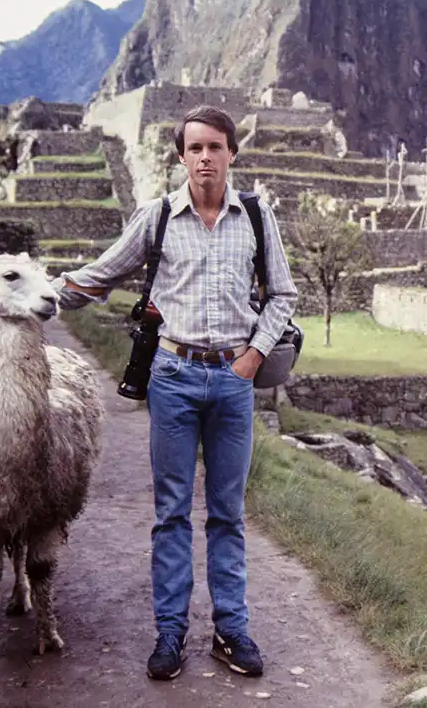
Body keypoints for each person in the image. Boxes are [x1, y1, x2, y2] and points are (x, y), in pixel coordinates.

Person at [52, 104, 299, 680]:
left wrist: (253, 356)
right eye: (195, 148)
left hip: (233, 380)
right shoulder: (157, 217)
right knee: (171, 512)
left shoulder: (256, 216)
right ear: (182, 156)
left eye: (215, 147)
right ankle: (170, 632)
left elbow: (283, 295)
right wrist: (35, 293)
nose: (205, 157)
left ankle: (231, 629)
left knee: (228, 512)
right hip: (173, 376)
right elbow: (101, 274)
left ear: (232, 153)